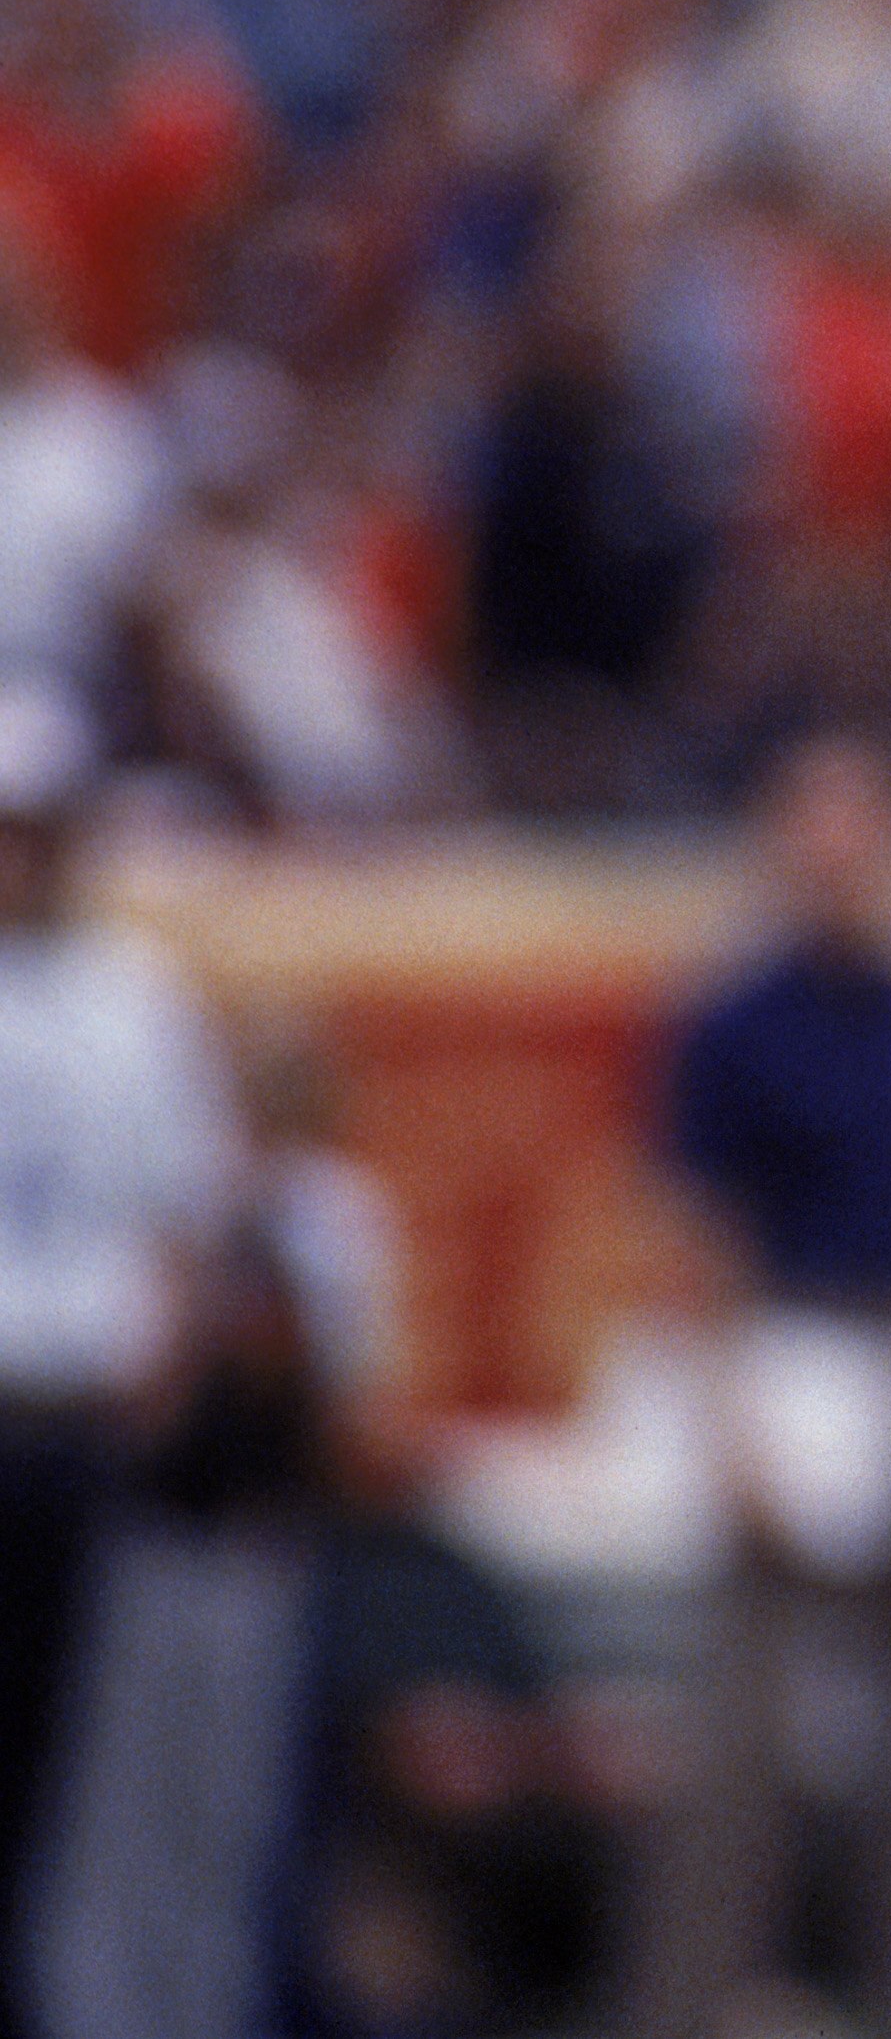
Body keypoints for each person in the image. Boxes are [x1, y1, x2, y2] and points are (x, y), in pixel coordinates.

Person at [629, 730, 891, 2039]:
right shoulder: (732, 1016)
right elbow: (696, 1232)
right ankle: (687, 1999)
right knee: (745, 1741)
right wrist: (723, 1420)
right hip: (785, 1344)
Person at [0, 678, 245, 2039]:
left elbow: (187, 1215)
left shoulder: (131, 997)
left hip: (79, 1418)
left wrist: (154, 1381)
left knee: (89, 1758)